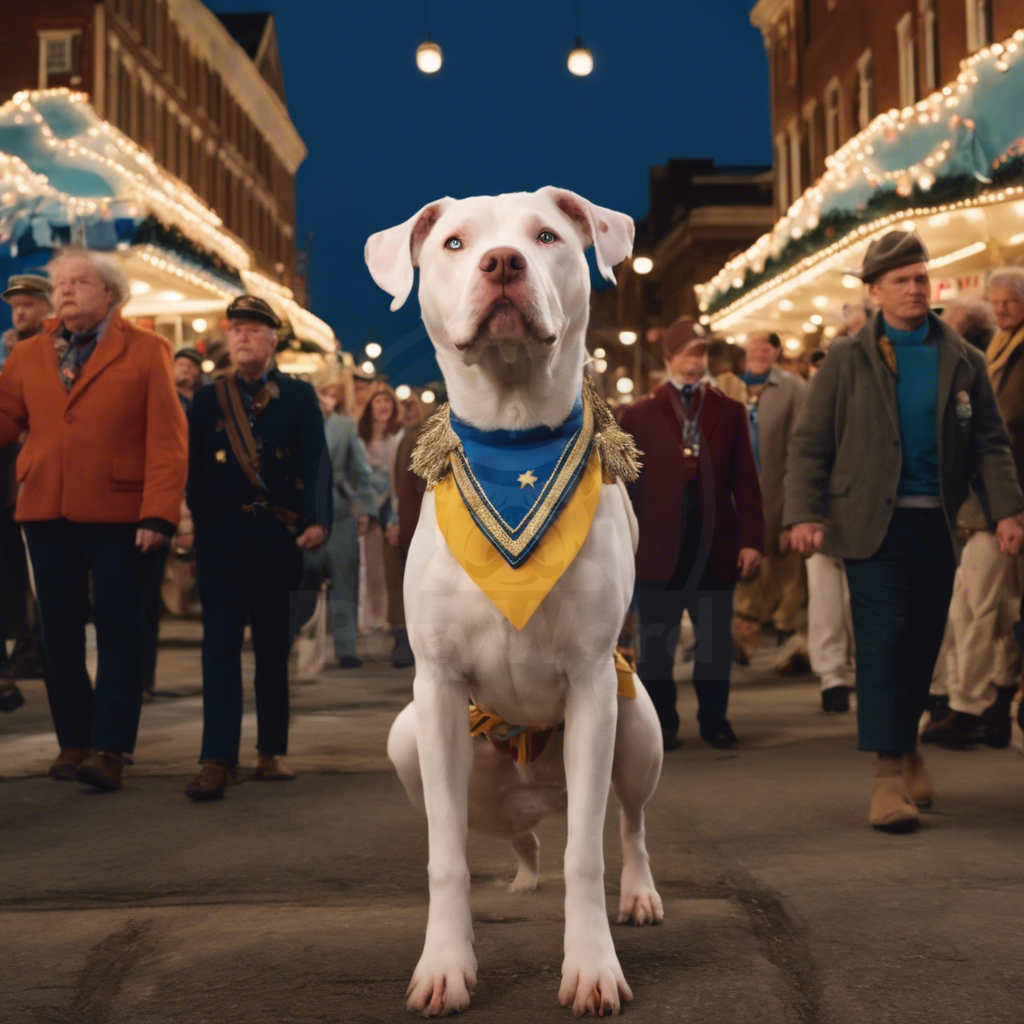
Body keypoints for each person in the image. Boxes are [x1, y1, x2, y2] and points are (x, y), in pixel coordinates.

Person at [785, 231, 1024, 833]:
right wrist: (804, 513)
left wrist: (1007, 510)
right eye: (901, 281)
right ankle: (887, 773)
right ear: (874, 292)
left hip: (937, 522)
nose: (915, 289)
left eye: (921, 278)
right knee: (886, 637)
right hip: (869, 525)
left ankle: (909, 744)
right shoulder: (845, 358)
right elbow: (811, 443)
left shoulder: (964, 358)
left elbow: (991, 444)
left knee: (923, 639)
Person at [0, 248, 188, 790]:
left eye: (79, 282)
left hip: (122, 513)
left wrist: (158, 513)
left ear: (110, 294)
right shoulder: (29, 355)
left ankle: (109, 747)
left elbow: (168, 441)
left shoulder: (147, 350)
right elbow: (6, 417)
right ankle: (73, 741)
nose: (65, 291)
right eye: (60, 283)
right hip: (44, 509)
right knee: (56, 633)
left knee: (119, 632)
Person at [184, 295, 332, 801]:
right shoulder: (209, 400)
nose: (242, 336)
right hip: (221, 543)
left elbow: (316, 460)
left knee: (272, 649)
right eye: (236, 329)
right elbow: (194, 470)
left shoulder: (298, 395)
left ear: (272, 341)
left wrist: (318, 520)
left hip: (276, 540)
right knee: (219, 651)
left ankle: (271, 752)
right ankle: (216, 758)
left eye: (253, 329)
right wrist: (191, 524)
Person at [620, 318, 764, 750]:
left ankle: (715, 721)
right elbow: (624, 488)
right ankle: (662, 724)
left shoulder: (729, 410)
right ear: (668, 359)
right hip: (658, 549)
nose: (693, 362)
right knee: (657, 645)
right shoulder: (638, 415)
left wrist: (752, 540)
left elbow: (747, 481)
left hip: (714, 544)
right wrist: (621, 547)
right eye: (685, 354)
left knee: (715, 643)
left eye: (700, 354)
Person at [924, 269, 1024, 747]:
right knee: (983, 607)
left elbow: (998, 438)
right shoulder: (996, 352)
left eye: (1010, 302)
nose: (1003, 309)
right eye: (997, 301)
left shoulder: (1005, 354)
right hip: (983, 503)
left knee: (984, 608)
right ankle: (987, 704)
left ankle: (975, 704)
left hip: (1004, 501)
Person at [292, 378, 376, 669]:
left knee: (345, 581)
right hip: (303, 514)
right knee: (302, 579)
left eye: (330, 396)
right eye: (320, 395)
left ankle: (346, 648)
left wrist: (365, 508)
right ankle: (292, 638)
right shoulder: (296, 424)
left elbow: (362, 471)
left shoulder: (345, 426)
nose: (324, 401)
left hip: (340, 512)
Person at [732, 331, 806, 660]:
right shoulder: (729, 386)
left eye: (766, 347)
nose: (760, 352)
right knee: (745, 563)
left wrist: (796, 508)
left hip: (779, 487)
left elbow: (800, 445)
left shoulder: (793, 388)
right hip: (740, 491)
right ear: (746, 351)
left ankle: (789, 638)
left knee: (786, 562)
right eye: (755, 346)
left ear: (775, 353)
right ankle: (744, 634)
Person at [0, 272, 53, 711]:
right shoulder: (9, 353)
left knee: (43, 585)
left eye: (29, 304)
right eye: (15, 304)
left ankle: (37, 654)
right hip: (11, 488)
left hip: (41, 486)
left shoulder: (57, 352)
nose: (19, 312)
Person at [802, 347, 855, 712]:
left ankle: (855, 671)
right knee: (825, 600)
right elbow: (802, 462)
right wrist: (801, 515)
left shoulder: (862, 407)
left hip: (856, 516)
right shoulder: (809, 409)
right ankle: (833, 675)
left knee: (855, 601)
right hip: (820, 514)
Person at [357, 382, 402, 634]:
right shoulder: (359, 436)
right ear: (370, 406)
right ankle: (369, 617)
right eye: (378, 401)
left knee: (389, 566)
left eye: (387, 401)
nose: (383, 405)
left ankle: (388, 615)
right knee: (370, 566)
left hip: (391, 506)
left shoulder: (398, 435)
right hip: (367, 506)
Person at [172, 346, 204, 414]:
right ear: (172, 367)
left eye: (191, 366)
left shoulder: (206, 399)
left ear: (199, 371)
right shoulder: (164, 397)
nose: (185, 369)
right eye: (181, 364)